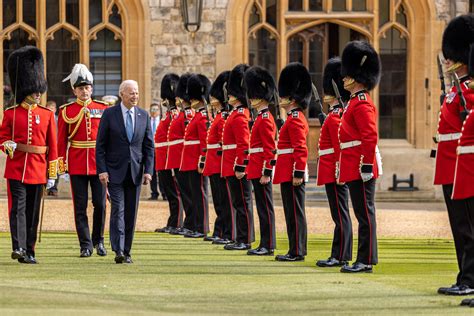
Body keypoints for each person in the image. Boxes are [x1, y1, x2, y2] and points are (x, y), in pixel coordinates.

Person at [0, 46, 58, 264]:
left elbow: (53, 146)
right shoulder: (11, 113)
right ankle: (19, 247)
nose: (38, 93)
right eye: (34, 89)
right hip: (17, 167)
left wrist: (52, 174)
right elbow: (2, 138)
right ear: (26, 88)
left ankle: (30, 249)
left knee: (33, 213)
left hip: (38, 169)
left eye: (39, 90)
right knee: (18, 210)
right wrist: (9, 146)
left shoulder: (46, 115)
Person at [96, 80, 154, 264]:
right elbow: (100, 146)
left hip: (136, 172)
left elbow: (148, 147)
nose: (135, 96)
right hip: (114, 171)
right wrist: (102, 170)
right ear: (122, 94)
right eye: (131, 93)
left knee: (131, 213)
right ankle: (118, 250)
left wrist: (148, 171)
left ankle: (127, 250)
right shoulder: (109, 114)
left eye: (136, 93)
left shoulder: (143, 115)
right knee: (118, 211)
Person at [437, 15, 474, 295]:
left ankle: (470, 280)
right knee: (459, 227)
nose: (446, 60)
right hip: (450, 165)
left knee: (467, 227)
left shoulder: (468, 90)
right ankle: (464, 275)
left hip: (464, 166)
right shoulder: (455, 90)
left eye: (451, 55)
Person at [337, 41, 381, 273]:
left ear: (356, 76)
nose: (343, 79)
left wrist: (365, 165)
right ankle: (362, 258)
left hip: (360, 166)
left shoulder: (362, 103)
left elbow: (369, 136)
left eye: (347, 75)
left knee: (365, 214)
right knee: (361, 213)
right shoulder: (354, 102)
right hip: (353, 164)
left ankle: (365, 260)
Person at [57, 64, 109, 258]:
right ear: (74, 90)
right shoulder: (66, 111)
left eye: (87, 88)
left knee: (100, 204)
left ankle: (99, 241)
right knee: (80, 207)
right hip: (77, 164)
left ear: (92, 89)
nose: (84, 91)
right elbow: (61, 140)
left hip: (99, 164)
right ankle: (85, 245)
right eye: (80, 88)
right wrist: (61, 167)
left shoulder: (103, 109)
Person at [315, 58, 353, 268]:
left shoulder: (337, 115)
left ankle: (340, 255)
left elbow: (340, 146)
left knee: (340, 214)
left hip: (335, 170)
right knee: (338, 214)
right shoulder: (334, 114)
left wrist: (340, 170)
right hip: (331, 168)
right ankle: (340, 254)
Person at [274, 62, 310, 262]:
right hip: (287, 170)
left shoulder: (296, 118)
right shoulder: (291, 118)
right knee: (291, 212)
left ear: (292, 97)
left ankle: (297, 250)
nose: (281, 97)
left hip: (292, 172)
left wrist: (297, 173)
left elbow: (300, 148)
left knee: (295, 213)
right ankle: (295, 248)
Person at [243, 66, 277, 256]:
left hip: (261, 169)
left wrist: (267, 171)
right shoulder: (259, 118)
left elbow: (269, 148)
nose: (251, 98)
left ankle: (268, 244)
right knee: (262, 209)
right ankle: (265, 243)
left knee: (266, 209)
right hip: (255, 167)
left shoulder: (265, 119)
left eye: (255, 95)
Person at [221, 64, 255, 251]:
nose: (229, 95)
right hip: (230, 164)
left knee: (243, 203)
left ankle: (245, 239)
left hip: (237, 166)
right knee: (238, 203)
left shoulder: (241, 115)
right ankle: (240, 237)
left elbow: (244, 144)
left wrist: (241, 166)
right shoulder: (235, 114)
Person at [203, 70, 235, 245]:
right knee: (219, 201)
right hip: (214, 163)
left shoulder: (224, 117)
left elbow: (224, 143)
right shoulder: (219, 117)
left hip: (220, 162)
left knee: (225, 201)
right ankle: (220, 230)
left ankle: (226, 232)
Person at [180, 74, 211, 238]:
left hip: (196, 161)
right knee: (195, 195)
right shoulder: (198, 115)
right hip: (190, 161)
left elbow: (204, 142)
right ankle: (196, 226)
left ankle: (202, 227)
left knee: (200, 194)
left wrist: (203, 160)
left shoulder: (203, 116)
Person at [166, 73, 195, 236]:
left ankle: (190, 223)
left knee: (189, 195)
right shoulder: (183, 114)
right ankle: (188, 223)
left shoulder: (188, 114)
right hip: (179, 158)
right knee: (185, 193)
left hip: (185, 159)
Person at [154, 73, 184, 234]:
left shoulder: (174, 114)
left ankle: (177, 222)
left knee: (175, 192)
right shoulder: (168, 115)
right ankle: (173, 221)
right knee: (169, 192)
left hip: (170, 160)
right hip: (163, 160)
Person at [149, 102, 166, 201]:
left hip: (161, 150)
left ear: (159, 111)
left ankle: (164, 193)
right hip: (151, 150)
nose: (154, 111)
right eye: (152, 110)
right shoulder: (147, 120)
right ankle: (154, 193)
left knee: (162, 173)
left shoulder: (162, 121)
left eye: (156, 109)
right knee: (152, 173)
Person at [46, 100, 59, 196]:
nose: (50, 111)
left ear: (55, 110)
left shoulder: (58, 120)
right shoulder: (44, 119)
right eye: (48, 109)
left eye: (51, 109)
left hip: (56, 148)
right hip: (45, 148)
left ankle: (53, 188)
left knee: (55, 168)